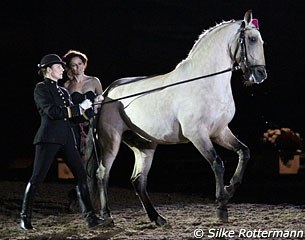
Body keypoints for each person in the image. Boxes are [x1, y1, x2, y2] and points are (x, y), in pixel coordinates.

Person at [20, 54, 108, 230]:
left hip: (67, 139)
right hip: (49, 139)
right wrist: (78, 107)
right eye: (59, 67)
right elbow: (53, 112)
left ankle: (90, 218)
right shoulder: (41, 89)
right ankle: (24, 218)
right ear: (48, 70)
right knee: (37, 178)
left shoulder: (63, 91)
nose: (63, 69)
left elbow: (73, 119)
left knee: (82, 176)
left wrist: (90, 109)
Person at [62, 50, 103, 210]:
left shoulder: (94, 81)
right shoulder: (67, 85)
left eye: (80, 64)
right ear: (70, 68)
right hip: (75, 128)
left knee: (93, 163)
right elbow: (67, 110)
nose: (77, 67)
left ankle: (91, 200)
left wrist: (98, 103)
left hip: (92, 126)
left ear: (84, 64)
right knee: (79, 165)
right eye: (73, 65)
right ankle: (77, 196)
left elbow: (102, 100)